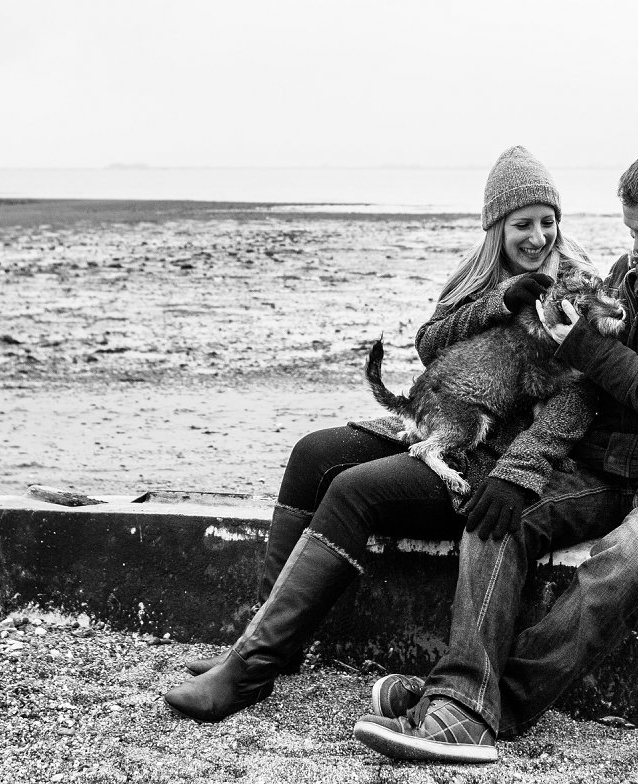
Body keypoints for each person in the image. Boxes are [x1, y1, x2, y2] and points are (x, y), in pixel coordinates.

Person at [353, 148, 638, 764]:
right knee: (494, 514)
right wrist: (520, 469)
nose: (635, 246)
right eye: (631, 230)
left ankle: (480, 708)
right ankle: (460, 698)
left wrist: (585, 347)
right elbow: (572, 388)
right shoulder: (631, 273)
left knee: (623, 567)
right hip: (606, 463)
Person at [163, 146, 600, 723]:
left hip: (488, 452)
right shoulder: (481, 280)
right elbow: (430, 346)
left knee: (352, 489)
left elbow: (578, 397)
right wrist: (500, 301)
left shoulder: (576, 288)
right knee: (312, 455)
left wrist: (517, 473)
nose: (538, 237)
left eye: (548, 222)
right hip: (441, 411)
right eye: (523, 224)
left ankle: (251, 671)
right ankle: (274, 642)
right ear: (496, 228)